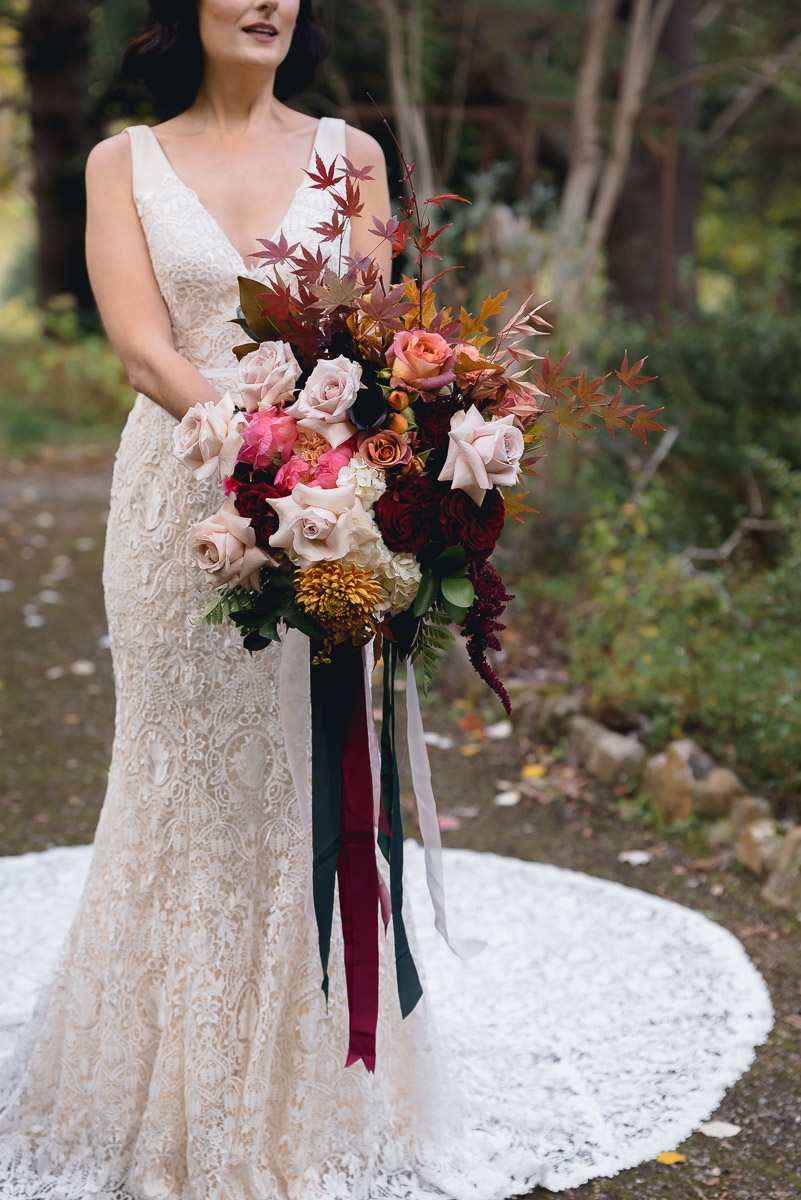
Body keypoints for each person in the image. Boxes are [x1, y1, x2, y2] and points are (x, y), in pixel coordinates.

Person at [0, 1, 476, 1196]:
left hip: (328, 495)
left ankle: (310, 1087)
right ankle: (167, 1088)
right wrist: (236, 430)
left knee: (303, 772)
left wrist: (353, 455)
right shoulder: (126, 160)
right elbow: (142, 343)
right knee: (181, 769)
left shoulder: (349, 157)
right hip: (181, 497)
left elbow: (372, 333)